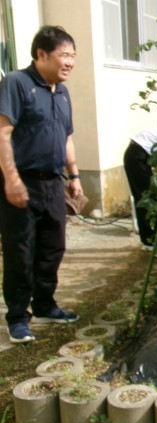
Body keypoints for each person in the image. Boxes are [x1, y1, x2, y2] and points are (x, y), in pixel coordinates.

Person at [0, 26, 82, 343]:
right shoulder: (17, 83)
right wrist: (11, 180)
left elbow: (67, 137)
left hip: (53, 184)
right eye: (64, 55)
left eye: (73, 56)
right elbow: (3, 133)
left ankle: (45, 305)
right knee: (21, 252)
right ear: (41, 54)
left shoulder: (62, 92)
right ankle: (18, 318)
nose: (70, 62)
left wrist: (74, 177)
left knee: (53, 247)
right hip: (22, 181)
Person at [123, 125, 157, 256]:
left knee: (143, 199)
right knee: (151, 200)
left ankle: (148, 241)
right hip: (138, 157)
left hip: (133, 154)